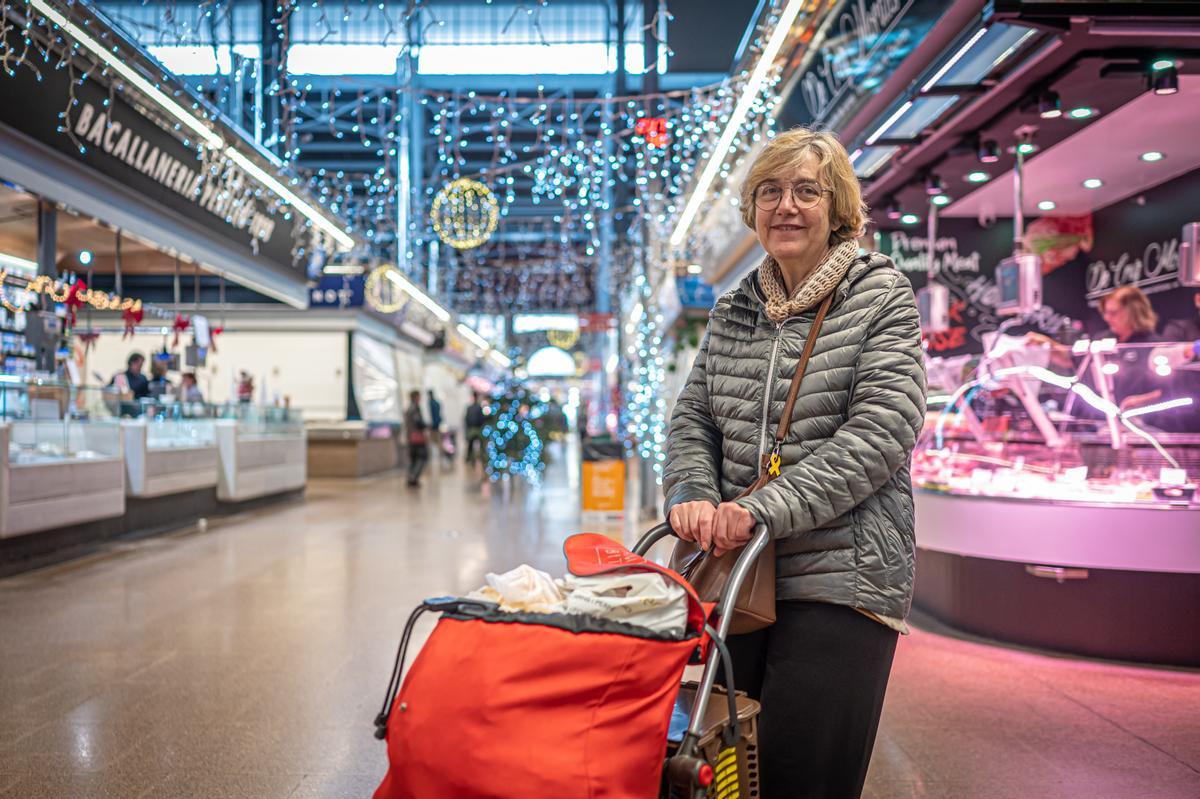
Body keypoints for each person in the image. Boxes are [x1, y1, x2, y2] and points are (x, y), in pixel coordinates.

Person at [662, 127, 926, 799]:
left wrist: (759, 510)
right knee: (726, 769)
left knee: (802, 775)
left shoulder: (880, 294)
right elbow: (693, 416)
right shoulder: (734, 311)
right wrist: (691, 486)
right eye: (770, 192)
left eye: (807, 190)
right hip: (737, 579)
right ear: (752, 210)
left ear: (838, 209)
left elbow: (883, 428)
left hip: (842, 576)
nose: (787, 206)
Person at [405, 390, 429, 487]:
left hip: (411, 437)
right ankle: (413, 477)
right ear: (416, 397)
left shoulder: (408, 408)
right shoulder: (415, 408)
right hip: (416, 437)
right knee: (422, 457)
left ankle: (411, 477)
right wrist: (425, 425)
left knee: (413, 458)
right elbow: (418, 422)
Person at [464, 392, 486, 467]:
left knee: (471, 445)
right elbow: (482, 419)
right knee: (479, 445)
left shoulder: (470, 408)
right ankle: (480, 457)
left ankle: (470, 459)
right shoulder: (478, 407)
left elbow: (466, 419)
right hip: (477, 429)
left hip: (472, 429)